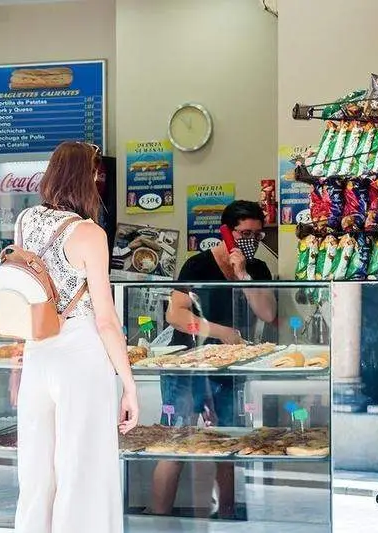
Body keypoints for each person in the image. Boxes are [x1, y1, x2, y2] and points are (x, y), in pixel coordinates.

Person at [14, 141, 139, 533]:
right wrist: (129, 385)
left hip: (37, 351)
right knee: (83, 468)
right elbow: (106, 320)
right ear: (89, 178)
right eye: (97, 174)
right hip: (81, 356)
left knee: (36, 472)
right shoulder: (89, 233)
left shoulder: (25, 221)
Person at [151, 200, 277, 519]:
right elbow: (176, 315)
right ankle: (158, 520)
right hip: (188, 365)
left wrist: (242, 273)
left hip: (230, 369)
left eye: (258, 235)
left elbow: (268, 313)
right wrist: (219, 332)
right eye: (245, 233)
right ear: (226, 232)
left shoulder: (257, 269)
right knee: (175, 443)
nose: (252, 240)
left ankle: (227, 518)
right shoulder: (198, 265)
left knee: (227, 445)